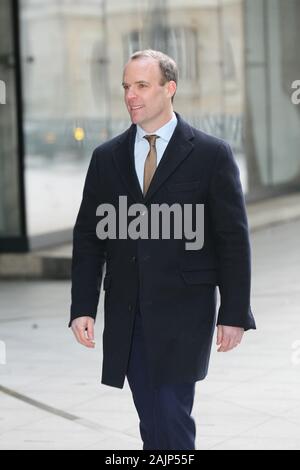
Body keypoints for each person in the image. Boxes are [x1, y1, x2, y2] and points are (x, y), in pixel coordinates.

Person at [69, 49, 256, 450]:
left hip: (184, 313)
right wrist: (83, 306)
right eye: (125, 87)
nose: (130, 95)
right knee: (151, 419)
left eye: (141, 85)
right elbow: (88, 238)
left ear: (169, 88)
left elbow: (232, 240)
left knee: (170, 415)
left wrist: (235, 312)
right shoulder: (107, 158)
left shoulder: (210, 155)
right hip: (129, 314)